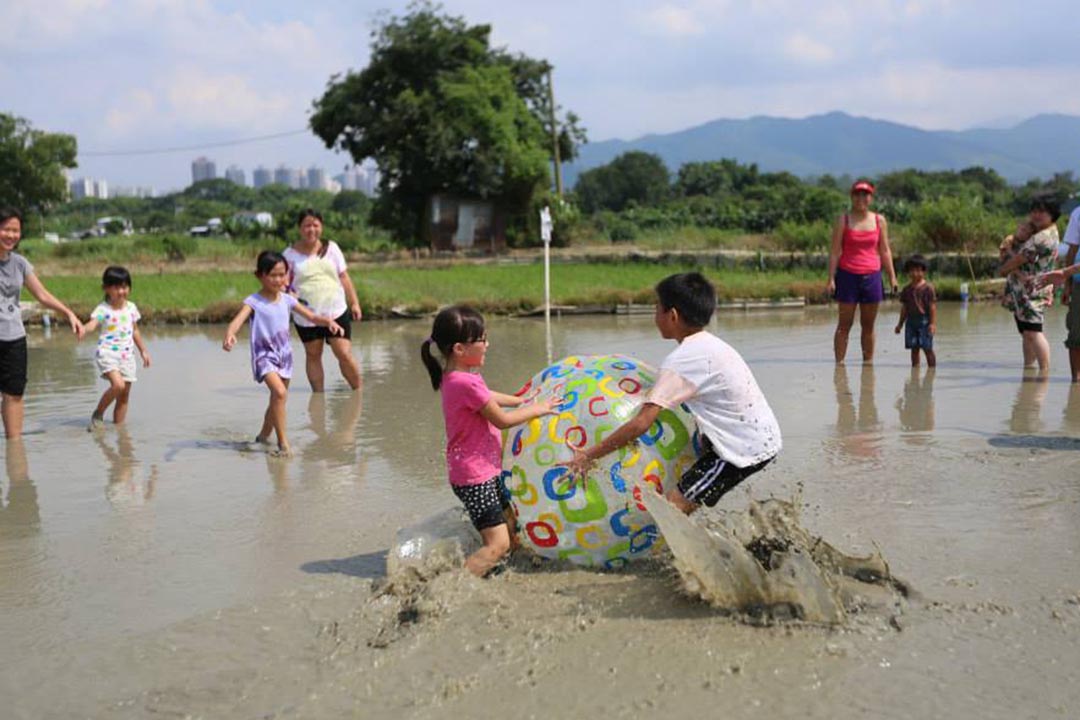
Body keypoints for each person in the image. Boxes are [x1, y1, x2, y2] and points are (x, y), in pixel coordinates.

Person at [565, 272, 781, 514]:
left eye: (657, 308)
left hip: (739, 449)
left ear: (673, 315)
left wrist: (590, 455)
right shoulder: (709, 345)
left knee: (673, 508)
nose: (654, 316)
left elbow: (641, 423)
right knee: (689, 497)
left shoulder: (681, 361)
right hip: (759, 436)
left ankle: (703, 552)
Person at [420, 305, 559, 577]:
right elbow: (503, 421)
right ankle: (449, 586)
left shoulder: (457, 376)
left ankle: (511, 570)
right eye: (482, 339)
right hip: (476, 478)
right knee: (497, 544)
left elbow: (487, 395)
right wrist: (539, 408)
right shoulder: (465, 383)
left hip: (482, 471)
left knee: (511, 525)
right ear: (460, 349)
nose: (487, 344)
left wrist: (519, 399)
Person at [223, 251, 344, 456]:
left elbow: (312, 316)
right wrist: (230, 335)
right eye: (273, 275)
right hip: (264, 355)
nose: (278, 279)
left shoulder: (288, 300)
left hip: (284, 356)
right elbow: (236, 321)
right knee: (279, 393)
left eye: (282, 274)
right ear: (259, 275)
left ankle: (262, 437)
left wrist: (329, 322)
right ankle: (283, 444)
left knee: (278, 399)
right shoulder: (253, 301)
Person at [0, 208, 85, 438]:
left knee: (14, 393)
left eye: (15, 230)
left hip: (13, 337)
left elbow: (43, 295)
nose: (11, 235)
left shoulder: (20, 263)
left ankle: (14, 450)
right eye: (5, 229)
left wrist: (69, 313)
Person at [283, 209, 362, 392]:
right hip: (307, 315)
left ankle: (358, 393)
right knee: (313, 354)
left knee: (343, 353)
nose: (311, 229)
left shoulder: (331, 248)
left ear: (321, 227)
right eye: (307, 225)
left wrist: (355, 302)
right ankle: (318, 398)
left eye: (315, 225)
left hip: (336, 310)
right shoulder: (288, 255)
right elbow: (282, 282)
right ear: (300, 228)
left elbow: (344, 276)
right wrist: (289, 293)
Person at [826, 180, 898, 364]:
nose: (861, 198)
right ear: (851, 197)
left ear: (871, 197)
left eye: (865, 194)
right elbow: (835, 251)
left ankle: (868, 366)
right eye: (857, 194)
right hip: (847, 275)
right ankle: (839, 366)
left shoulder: (879, 220)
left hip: (872, 276)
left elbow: (884, 250)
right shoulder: (843, 220)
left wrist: (892, 277)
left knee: (868, 326)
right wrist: (830, 279)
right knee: (844, 325)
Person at [82, 266, 151, 429]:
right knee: (118, 385)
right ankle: (98, 413)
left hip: (127, 356)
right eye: (117, 287)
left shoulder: (131, 308)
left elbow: (135, 331)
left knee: (124, 395)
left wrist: (143, 351)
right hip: (107, 354)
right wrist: (83, 329)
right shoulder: (103, 309)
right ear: (106, 288)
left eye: (125, 286)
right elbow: (93, 323)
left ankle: (120, 432)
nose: (122, 291)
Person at [999, 197, 1060, 373]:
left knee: (1033, 332)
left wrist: (1003, 270)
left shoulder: (1043, 237)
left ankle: (1044, 372)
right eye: (1034, 211)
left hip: (1033, 288)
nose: (1036, 215)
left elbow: (1021, 258)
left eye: (1042, 212)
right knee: (1027, 332)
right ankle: (1029, 368)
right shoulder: (1041, 231)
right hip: (1023, 289)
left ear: (1052, 214)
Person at [1036, 202, 1080, 380]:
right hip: (1079, 282)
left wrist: (1066, 272)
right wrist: (1068, 282)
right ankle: (1076, 384)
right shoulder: (1078, 213)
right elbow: (1072, 251)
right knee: (1076, 335)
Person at [894, 254, 937, 367]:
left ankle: (931, 371)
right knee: (914, 349)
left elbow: (932, 306)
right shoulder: (906, 290)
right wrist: (900, 324)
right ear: (908, 272)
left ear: (924, 272)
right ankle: (915, 373)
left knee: (927, 348)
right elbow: (904, 308)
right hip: (911, 322)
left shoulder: (928, 288)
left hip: (924, 322)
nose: (915, 273)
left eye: (918, 270)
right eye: (912, 270)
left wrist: (932, 324)